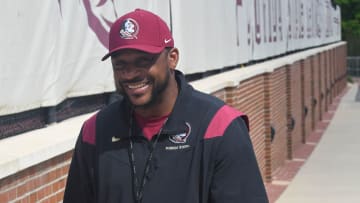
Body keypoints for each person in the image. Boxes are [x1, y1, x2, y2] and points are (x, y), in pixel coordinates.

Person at [63, 8, 268, 203]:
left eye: (143, 61)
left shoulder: (220, 126)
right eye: (120, 64)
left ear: (172, 58)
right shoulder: (95, 130)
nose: (130, 73)